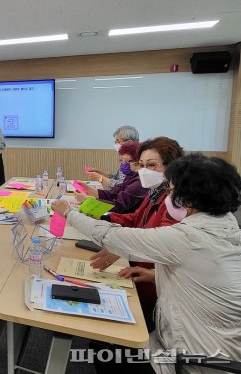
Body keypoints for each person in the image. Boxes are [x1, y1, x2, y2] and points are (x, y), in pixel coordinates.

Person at [51, 154, 241, 374]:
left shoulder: (190, 238)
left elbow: (113, 237)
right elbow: (206, 278)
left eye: (171, 190)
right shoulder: (229, 230)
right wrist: (155, 275)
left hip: (193, 359)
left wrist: (67, 212)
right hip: (219, 351)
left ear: (187, 197)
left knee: (103, 350)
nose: (168, 195)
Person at [89, 137, 185, 331]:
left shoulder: (175, 204)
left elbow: (159, 243)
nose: (144, 171)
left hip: (151, 286)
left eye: (152, 165)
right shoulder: (154, 193)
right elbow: (134, 218)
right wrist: (106, 217)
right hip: (133, 270)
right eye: (141, 165)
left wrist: (123, 249)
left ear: (172, 168)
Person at [74, 141, 148, 214]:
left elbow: (118, 206)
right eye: (122, 160)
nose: (123, 164)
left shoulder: (139, 183)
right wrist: (88, 189)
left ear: (139, 161)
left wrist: (87, 200)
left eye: (127, 161)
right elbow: (114, 193)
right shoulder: (131, 175)